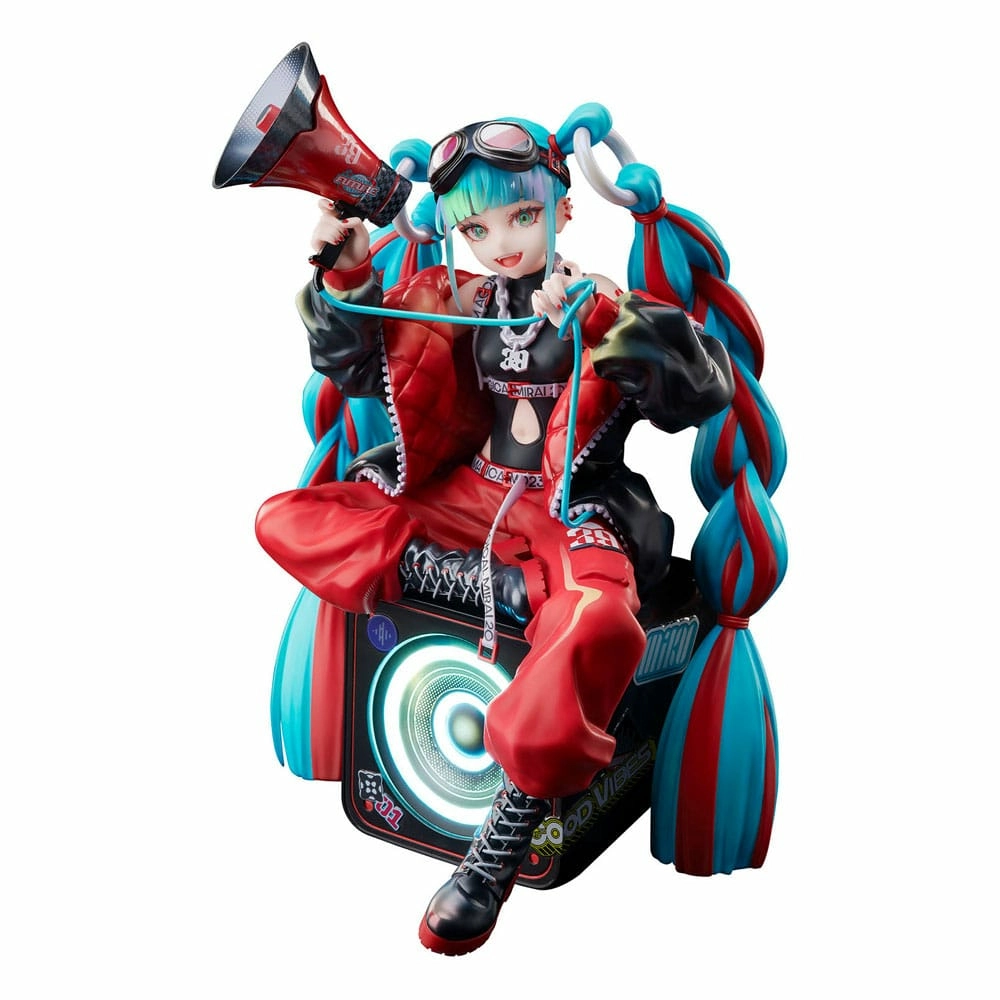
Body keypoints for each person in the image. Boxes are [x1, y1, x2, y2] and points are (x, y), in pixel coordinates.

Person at [255, 109, 783, 955]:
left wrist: (599, 322)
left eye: (522, 217)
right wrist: (347, 270)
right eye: (476, 229)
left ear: (563, 211)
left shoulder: (601, 302)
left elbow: (703, 391)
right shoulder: (452, 299)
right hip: (469, 492)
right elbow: (354, 368)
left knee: (600, 623)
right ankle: (468, 582)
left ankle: (499, 842)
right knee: (290, 513)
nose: (500, 244)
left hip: (570, 510)